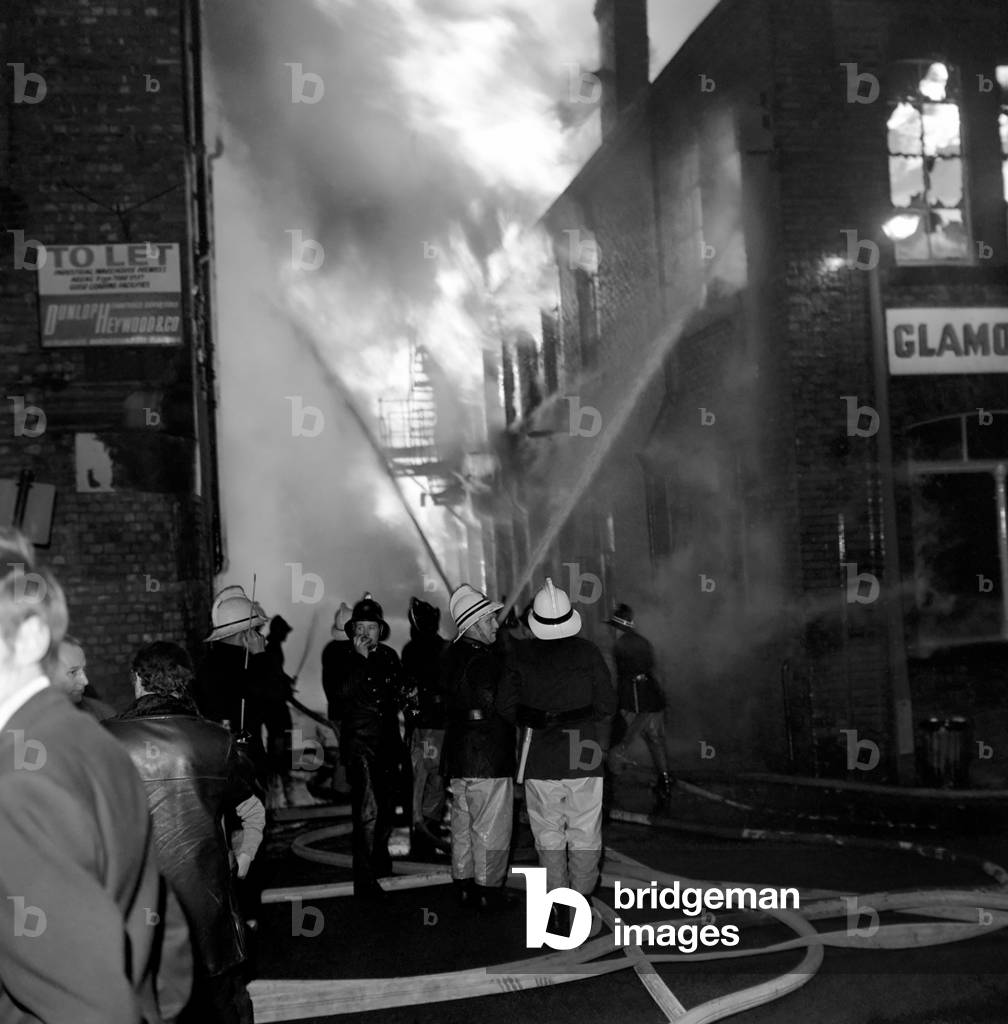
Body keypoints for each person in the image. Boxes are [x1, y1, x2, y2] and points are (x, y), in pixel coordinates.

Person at [0, 527, 192, 1023]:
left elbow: (88, 999)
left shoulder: (21, 778)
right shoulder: (91, 738)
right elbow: (161, 925)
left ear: (29, 638)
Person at [107, 641, 264, 1024]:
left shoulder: (102, 741)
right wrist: (242, 862)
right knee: (223, 1009)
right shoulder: (216, 741)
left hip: (133, 911)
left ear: (138, 681)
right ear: (184, 683)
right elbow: (253, 809)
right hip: (208, 912)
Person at [501, 577, 616, 933]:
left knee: (548, 834)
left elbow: (505, 706)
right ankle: (581, 902)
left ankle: (557, 906)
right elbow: (608, 705)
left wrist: (532, 716)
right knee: (584, 832)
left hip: (540, 760)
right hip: (583, 755)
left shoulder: (520, 655)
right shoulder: (588, 653)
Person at [331, 593, 412, 899]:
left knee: (388, 807)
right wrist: (360, 661)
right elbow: (339, 696)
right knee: (368, 810)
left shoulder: (390, 656)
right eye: (360, 626)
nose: (366, 632)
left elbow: (400, 694)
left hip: (389, 743)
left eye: (372, 626)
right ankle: (364, 881)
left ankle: (381, 862)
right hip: (361, 744)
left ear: (380, 629)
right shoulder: (341, 657)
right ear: (352, 631)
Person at [441, 585, 517, 909]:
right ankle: (489, 892)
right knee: (491, 826)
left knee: (462, 823)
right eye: (489, 619)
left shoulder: (448, 656)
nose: (496, 625)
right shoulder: (487, 662)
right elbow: (502, 704)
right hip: (488, 755)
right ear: (473, 623)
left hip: (457, 754)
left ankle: (463, 883)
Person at [194, 586, 271, 787]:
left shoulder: (208, 663)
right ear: (244, 634)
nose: (260, 637)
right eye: (254, 631)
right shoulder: (244, 664)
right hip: (244, 761)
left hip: (214, 760)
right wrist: (261, 657)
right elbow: (270, 698)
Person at [605, 602, 674, 808]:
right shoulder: (643, 642)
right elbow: (653, 668)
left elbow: (623, 677)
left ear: (617, 628)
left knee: (618, 744)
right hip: (653, 697)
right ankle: (664, 781)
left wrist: (621, 705)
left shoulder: (620, 646)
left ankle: (608, 791)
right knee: (654, 740)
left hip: (634, 700)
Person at [401, 596, 449, 857]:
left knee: (420, 781)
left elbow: (407, 692)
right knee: (436, 781)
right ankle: (426, 830)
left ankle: (421, 834)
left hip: (422, 729)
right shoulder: (445, 649)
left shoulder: (410, 651)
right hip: (438, 729)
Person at [261, 614, 295, 804]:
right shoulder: (272, 648)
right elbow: (273, 675)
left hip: (273, 699)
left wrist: (286, 680)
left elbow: (277, 673)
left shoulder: (272, 647)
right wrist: (284, 684)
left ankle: (279, 768)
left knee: (280, 731)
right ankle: (279, 769)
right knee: (281, 730)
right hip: (273, 701)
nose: (286, 636)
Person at [49, 633, 116, 721]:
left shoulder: (103, 715)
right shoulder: (27, 723)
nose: (85, 681)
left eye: (83, 670)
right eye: (73, 672)